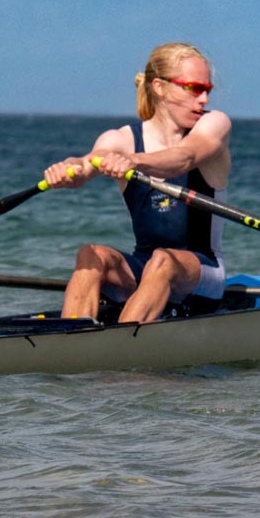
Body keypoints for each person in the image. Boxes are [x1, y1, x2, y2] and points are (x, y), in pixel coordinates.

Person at [43, 42, 231, 324]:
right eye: (193, 88)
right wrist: (67, 170)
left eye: (207, 90)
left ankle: (121, 351)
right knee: (90, 255)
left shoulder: (213, 124)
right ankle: (71, 339)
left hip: (203, 271)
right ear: (159, 87)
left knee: (163, 260)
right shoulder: (120, 138)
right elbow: (88, 163)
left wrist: (134, 161)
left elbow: (184, 157)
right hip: (144, 267)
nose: (203, 99)